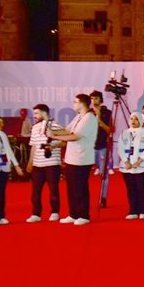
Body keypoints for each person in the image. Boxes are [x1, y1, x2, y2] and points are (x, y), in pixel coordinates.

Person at [48, 94, 98, 225]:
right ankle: (73, 214)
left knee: (80, 187)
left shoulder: (89, 118)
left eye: (75, 102)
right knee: (71, 188)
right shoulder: (79, 116)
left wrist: (54, 136)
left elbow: (75, 136)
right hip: (71, 158)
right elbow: (66, 130)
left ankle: (84, 215)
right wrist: (52, 132)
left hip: (82, 159)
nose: (74, 104)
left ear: (82, 103)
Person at [26, 104, 63, 222]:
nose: (34, 116)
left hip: (52, 164)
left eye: (36, 113)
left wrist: (53, 146)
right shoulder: (35, 128)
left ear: (44, 112)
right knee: (35, 192)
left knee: (53, 190)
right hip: (37, 165)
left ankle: (55, 212)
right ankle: (36, 214)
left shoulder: (56, 126)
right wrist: (30, 163)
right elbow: (33, 146)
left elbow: (65, 142)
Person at [118, 112, 144, 219]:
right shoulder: (124, 133)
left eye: (136, 119)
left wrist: (138, 162)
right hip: (127, 167)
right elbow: (120, 148)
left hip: (143, 166)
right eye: (131, 119)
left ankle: (143, 211)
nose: (133, 121)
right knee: (131, 189)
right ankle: (133, 211)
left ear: (140, 121)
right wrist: (126, 161)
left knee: (142, 188)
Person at [89, 91, 113, 207]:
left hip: (103, 146)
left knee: (104, 174)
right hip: (89, 147)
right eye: (92, 99)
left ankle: (103, 198)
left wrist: (99, 121)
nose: (94, 101)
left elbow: (110, 130)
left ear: (101, 99)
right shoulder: (88, 113)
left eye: (96, 98)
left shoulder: (107, 113)